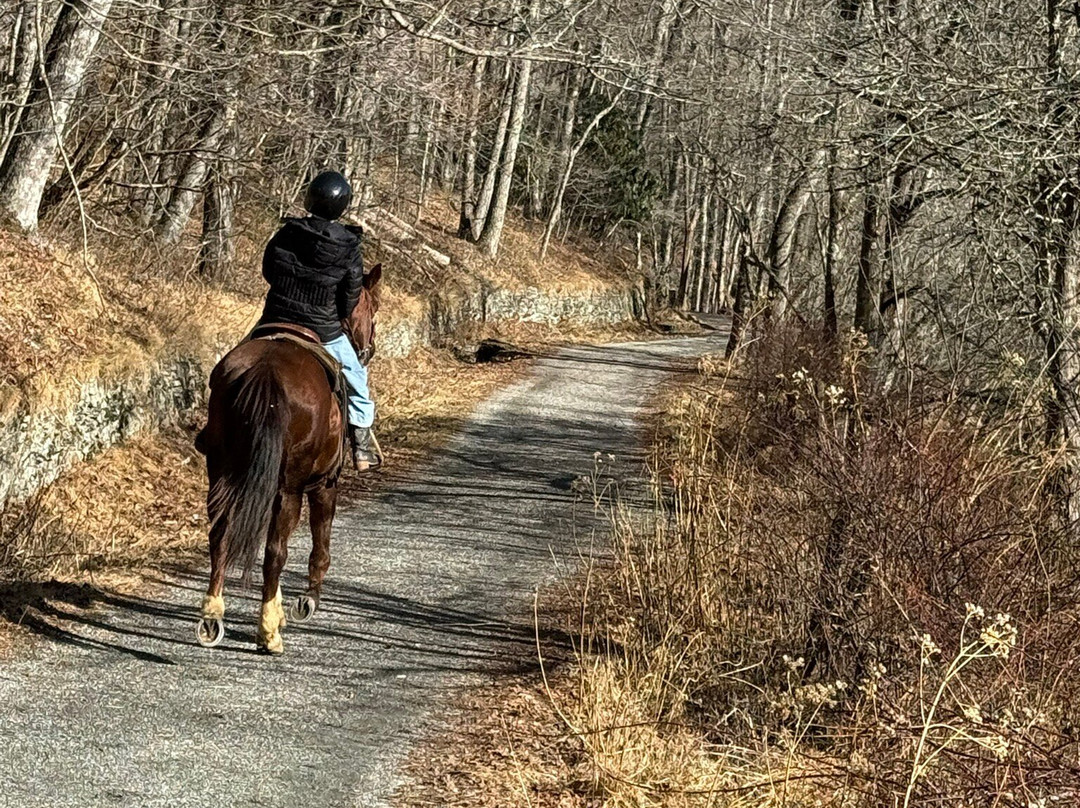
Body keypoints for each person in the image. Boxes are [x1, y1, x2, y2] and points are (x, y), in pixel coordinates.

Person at [258, 170, 379, 470]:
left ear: (310, 197)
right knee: (355, 374)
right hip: (323, 329)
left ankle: (214, 425)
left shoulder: (288, 232)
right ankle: (362, 444)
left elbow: (268, 269)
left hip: (275, 317)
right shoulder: (349, 246)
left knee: (236, 360)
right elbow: (351, 296)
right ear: (343, 207)